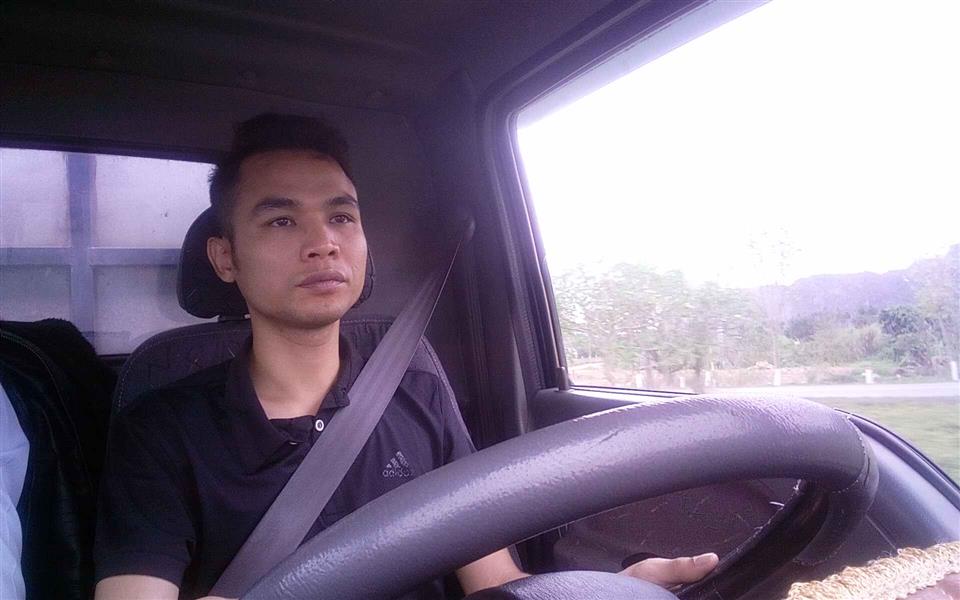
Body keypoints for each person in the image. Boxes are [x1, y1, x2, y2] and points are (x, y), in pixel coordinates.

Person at [93, 113, 718, 599]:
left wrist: (596, 591)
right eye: (281, 221)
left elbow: (494, 582)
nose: (323, 243)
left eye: (342, 217)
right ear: (225, 257)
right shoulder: (160, 432)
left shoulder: (418, 395)